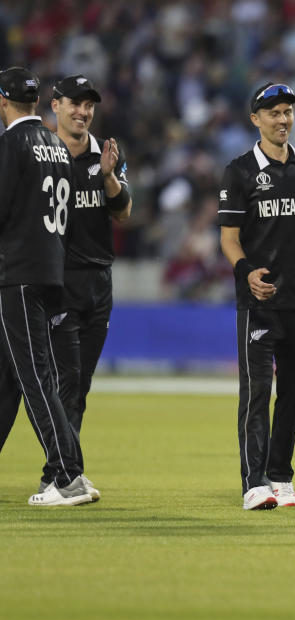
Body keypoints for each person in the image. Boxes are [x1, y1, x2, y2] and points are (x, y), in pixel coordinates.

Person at [217, 82, 295, 510]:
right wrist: (246, 272)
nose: (283, 119)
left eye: (287, 112)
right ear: (256, 119)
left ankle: (281, 477)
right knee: (256, 393)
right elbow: (229, 238)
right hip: (260, 300)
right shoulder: (239, 171)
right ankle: (254, 482)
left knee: (292, 395)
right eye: (273, 113)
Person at [0, 66, 96, 506]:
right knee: (14, 377)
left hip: (16, 274)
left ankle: (66, 474)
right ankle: (70, 469)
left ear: (3, 102)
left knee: (35, 376)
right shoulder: (57, 146)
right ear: (38, 102)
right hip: (51, 270)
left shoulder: (10, 145)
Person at [42, 75, 131, 489]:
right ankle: (61, 473)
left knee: (80, 385)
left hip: (100, 281)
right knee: (67, 381)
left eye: (89, 105)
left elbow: (123, 212)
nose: (83, 112)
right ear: (55, 105)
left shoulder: (106, 153)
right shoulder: (40, 153)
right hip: (59, 280)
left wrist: (109, 176)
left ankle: (64, 472)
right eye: (74, 104)